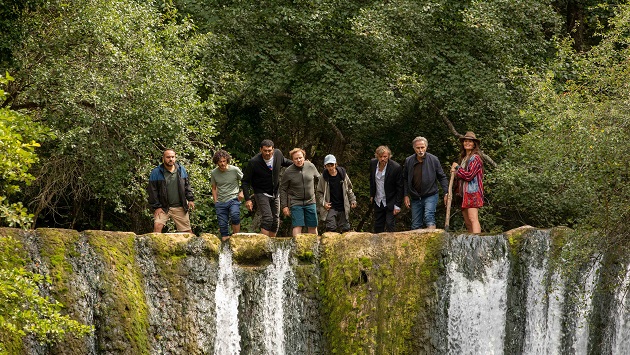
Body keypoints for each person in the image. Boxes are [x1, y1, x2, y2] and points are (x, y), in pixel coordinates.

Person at [241, 139, 293, 237]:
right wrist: (248, 199)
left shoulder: (278, 154)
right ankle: (264, 244)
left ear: (273, 149)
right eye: (265, 150)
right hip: (261, 192)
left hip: (275, 191)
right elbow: (245, 181)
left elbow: (285, 161)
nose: (267, 153)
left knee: (275, 220)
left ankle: (272, 245)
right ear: (261, 150)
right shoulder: (254, 162)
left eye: (269, 150)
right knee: (268, 218)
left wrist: (298, 163)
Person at [403, 137, 449, 230]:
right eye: (418, 148)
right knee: (415, 224)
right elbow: (405, 179)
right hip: (415, 196)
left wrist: (446, 192)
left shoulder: (433, 159)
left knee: (429, 217)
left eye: (422, 147)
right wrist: (406, 195)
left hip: (430, 194)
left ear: (426, 147)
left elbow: (442, 177)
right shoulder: (409, 161)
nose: (420, 150)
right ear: (414, 148)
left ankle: (432, 243)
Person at [148, 149, 195, 233]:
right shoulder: (156, 172)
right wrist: (157, 207)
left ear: (175, 158)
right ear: (163, 158)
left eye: (173, 157)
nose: (171, 159)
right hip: (163, 207)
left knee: (188, 232)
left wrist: (190, 199)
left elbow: (187, 186)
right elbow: (152, 191)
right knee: (157, 227)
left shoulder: (181, 170)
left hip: (179, 206)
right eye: (168, 157)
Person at [280, 148, 320, 236]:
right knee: (297, 226)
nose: (299, 160)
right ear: (292, 160)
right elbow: (283, 189)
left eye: (300, 158)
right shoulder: (288, 171)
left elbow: (320, 180)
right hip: (296, 202)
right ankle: (297, 248)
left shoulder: (310, 166)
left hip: (310, 201)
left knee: (313, 226)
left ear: (304, 157)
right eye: (296, 158)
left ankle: (314, 248)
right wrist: (284, 206)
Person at [451, 131, 484, 234]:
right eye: (465, 141)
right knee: (467, 221)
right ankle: (471, 244)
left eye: (470, 141)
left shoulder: (476, 158)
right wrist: (455, 173)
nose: (467, 143)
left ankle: (477, 241)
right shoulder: (464, 158)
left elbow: (469, 176)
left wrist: (457, 167)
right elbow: (462, 174)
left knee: (473, 218)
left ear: (474, 144)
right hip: (463, 194)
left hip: (472, 192)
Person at [316, 154, 357, 233]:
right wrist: (324, 203)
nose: (330, 167)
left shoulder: (343, 175)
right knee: (331, 228)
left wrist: (353, 200)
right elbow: (319, 193)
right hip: (330, 207)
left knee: (346, 229)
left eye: (332, 165)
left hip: (343, 206)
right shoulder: (323, 178)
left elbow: (349, 189)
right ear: (325, 166)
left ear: (336, 164)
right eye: (328, 165)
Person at [211, 150, 244, 241]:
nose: (222, 163)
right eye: (220, 161)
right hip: (221, 201)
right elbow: (214, 188)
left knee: (235, 215)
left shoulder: (234, 170)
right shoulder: (214, 173)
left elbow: (246, 182)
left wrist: (242, 192)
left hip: (233, 198)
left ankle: (236, 238)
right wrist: (215, 201)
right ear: (217, 162)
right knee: (222, 224)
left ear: (227, 160)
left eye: (224, 161)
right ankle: (225, 242)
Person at [369, 146, 403, 233]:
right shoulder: (373, 164)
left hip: (390, 200)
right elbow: (372, 180)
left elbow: (400, 187)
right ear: (377, 156)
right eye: (380, 157)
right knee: (378, 224)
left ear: (389, 156)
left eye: (385, 157)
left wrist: (398, 205)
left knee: (389, 223)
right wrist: (372, 194)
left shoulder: (396, 167)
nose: (383, 159)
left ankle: (392, 244)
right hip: (378, 199)